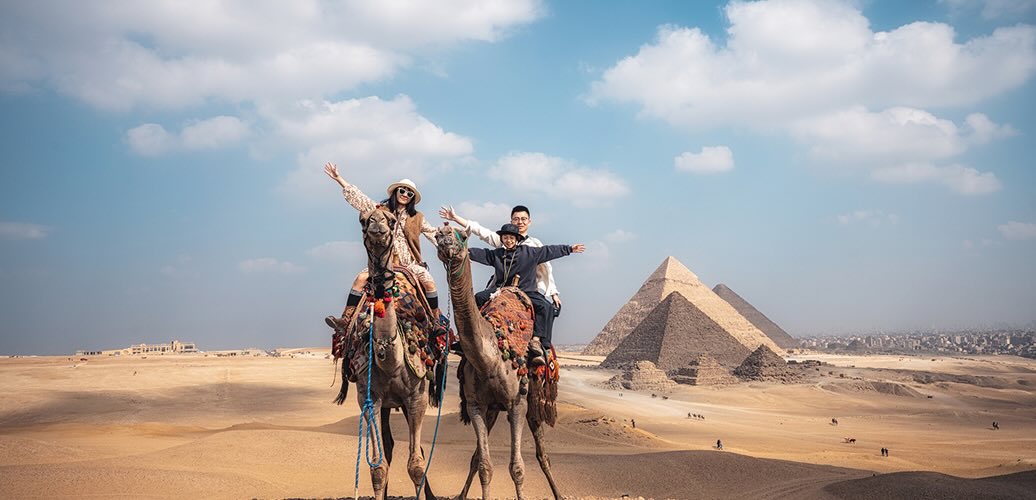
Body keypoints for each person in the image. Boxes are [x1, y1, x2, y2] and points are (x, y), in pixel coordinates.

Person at [322, 162, 444, 347]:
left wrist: (451, 244)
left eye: (409, 193)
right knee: (360, 278)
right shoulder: (381, 209)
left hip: (408, 263)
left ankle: (435, 321)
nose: (405, 195)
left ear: (412, 198)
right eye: (402, 190)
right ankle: (345, 320)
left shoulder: (417, 218)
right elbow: (360, 200)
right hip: (382, 262)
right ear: (396, 192)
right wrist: (339, 179)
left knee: (429, 281)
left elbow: (432, 233)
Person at [440, 204, 564, 348]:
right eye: (516, 219)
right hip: (500, 287)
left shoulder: (534, 245)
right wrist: (455, 218)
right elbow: (480, 231)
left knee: (545, 307)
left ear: (529, 221)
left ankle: (541, 344)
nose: (520, 222)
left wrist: (553, 293)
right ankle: (468, 338)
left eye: (523, 219)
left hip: (528, 288)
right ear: (511, 222)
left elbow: (546, 269)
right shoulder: (503, 240)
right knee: (477, 300)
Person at [466, 223, 584, 365]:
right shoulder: (497, 255)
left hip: (525, 291)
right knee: (479, 297)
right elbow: (481, 253)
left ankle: (539, 342)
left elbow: (549, 251)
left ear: (517, 239)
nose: (508, 240)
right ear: (502, 239)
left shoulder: (529, 253)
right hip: (502, 290)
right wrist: (465, 251)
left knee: (546, 308)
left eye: (511, 237)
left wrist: (569, 249)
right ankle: (472, 336)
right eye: (505, 237)